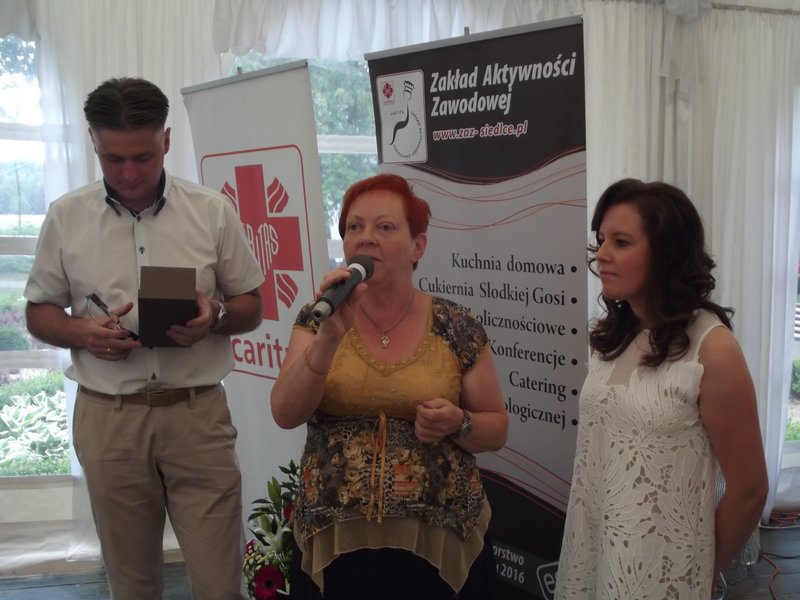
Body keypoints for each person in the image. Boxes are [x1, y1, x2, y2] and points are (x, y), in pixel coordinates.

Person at [23, 77, 265, 600]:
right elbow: (38, 313)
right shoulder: (66, 216)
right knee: (132, 588)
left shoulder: (211, 211)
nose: (129, 173)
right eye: (113, 159)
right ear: (93, 142)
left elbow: (252, 305)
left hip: (198, 418)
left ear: (167, 141)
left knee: (221, 588)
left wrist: (216, 315)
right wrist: (81, 332)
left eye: (143, 157)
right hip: (110, 421)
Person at [270, 173, 508, 600]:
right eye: (354, 226)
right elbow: (285, 413)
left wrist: (458, 422)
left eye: (385, 227)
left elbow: (496, 429)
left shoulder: (457, 325)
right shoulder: (319, 317)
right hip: (336, 542)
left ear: (418, 246)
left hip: (437, 542)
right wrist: (327, 341)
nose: (366, 238)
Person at [554, 179, 769, 599]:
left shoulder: (713, 350)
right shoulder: (613, 337)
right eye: (601, 240)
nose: (601, 254)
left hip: (661, 573)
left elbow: (750, 489)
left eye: (621, 242)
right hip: (592, 553)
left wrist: (701, 569)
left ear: (666, 252)